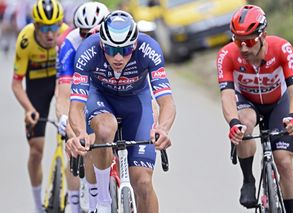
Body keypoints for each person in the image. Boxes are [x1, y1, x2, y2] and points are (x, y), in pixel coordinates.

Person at [66, 10, 176, 213]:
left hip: (136, 103)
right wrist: (80, 133)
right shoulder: (87, 50)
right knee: (106, 128)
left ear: (134, 45)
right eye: (110, 49)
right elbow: (76, 106)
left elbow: (166, 101)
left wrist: (163, 128)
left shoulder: (149, 49)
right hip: (100, 98)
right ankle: (103, 200)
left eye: (125, 50)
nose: (117, 57)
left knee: (142, 182)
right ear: (101, 44)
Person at [216, 5, 293, 213]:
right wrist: (233, 122)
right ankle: (248, 179)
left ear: (263, 35)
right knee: (243, 125)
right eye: (238, 41)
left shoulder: (282, 48)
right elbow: (227, 95)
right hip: (247, 101)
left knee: (283, 161)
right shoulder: (227, 55)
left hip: (278, 103)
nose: (243, 48)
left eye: (249, 41)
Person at [11, 0, 68, 212]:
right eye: (45, 28)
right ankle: (37, 206)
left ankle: (73, 199)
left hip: (62, 81)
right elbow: (16, 83)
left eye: (55, 26)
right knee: (36, 150)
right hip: (36, 86)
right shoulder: (25, 40)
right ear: (35, 25)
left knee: (75, 139)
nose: (51, 34)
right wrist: (29, 109)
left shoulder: (67, 35)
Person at [56, 2, 110, 212]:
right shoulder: (70, 44)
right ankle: (77, 203)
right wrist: (65, 121)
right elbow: (64, 92)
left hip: (106, 89)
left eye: (96, 32)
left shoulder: (117, 40)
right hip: (80, 91)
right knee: (77, 141)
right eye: (86, 34)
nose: (91, 38)